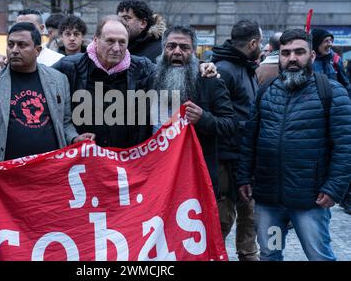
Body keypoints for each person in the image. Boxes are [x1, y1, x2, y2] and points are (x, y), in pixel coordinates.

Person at [237, 29, 351, 261]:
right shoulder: (266, 92)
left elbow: (345, 146)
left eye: (299, 52)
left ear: (312, 56)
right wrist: (243, 177)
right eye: (285, 52)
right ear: (279, 56)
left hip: (310, 200)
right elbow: (251, 138)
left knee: (318, 255)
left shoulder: (331, 92)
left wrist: (334, 189)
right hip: (270, 200)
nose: (291, 58)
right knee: (270, 253)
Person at [51, 15, 218, 149]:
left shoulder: (142, 67)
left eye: (122, 42)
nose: (116, 48)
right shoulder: (68, 68)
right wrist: (72, 138)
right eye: (110, 41)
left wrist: (202, 66)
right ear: (95, 40)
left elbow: (171, 69)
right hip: (84, 163)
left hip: (130, 164)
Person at [0, 22, 94, 174]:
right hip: (1, 176)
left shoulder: (58, 80)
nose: (14, 50)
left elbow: (65, 123)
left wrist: (75, 139)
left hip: (50, 174)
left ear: (38, 50)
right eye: (11, 44)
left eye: (22, 45)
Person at [152, 26, 238, 194]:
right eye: (171, 46)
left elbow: (230, 124)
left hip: (194, 177)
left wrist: (203, 118)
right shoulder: (149, 80)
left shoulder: (210, 81)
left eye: (184, 47)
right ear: (163, 50)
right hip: (157, 173)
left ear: (193, 52)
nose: (177, 52)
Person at [211, 20, 261, 261]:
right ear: (253, 43)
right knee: (222, 220)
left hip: (245, 156)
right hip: (227, 159)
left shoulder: (246, 67)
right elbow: (219, 118)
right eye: (259, 42)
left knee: (249, 219)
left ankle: (248, 255)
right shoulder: (225, 69)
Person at [311, 28, 351, 214]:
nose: (329, 44)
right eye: (326, 40)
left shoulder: (334, 60)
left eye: (331, 40)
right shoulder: (309, 63)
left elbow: (345, 83)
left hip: (336, 111)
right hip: (314, 114)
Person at [0, 9, 64, 71]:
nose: (24, 31)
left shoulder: (58, 59)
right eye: (19, 26)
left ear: (42, 29)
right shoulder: (5, 60)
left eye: (29, 26)